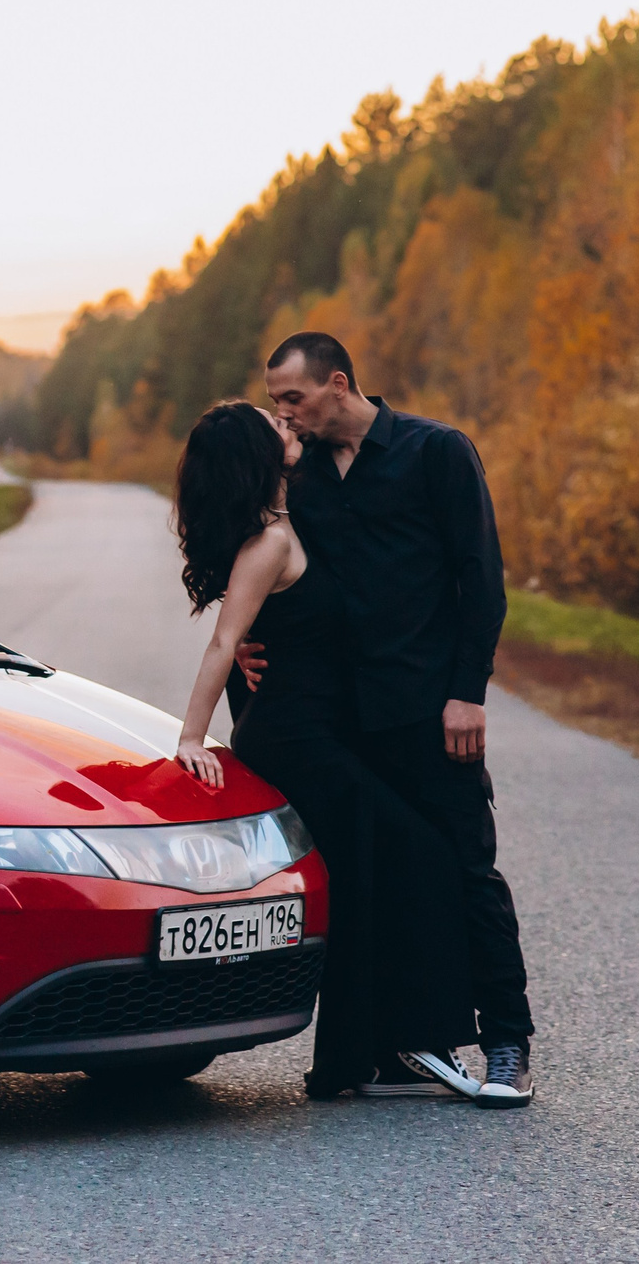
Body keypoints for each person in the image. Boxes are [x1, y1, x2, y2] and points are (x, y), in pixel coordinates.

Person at [165, 400, 488, 1105]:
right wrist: (191, 736)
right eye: (275, 424)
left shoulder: (289, 517)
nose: (290, 428)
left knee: (368, 876)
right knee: (417, 855)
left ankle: (367, 1056)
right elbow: (226, 640)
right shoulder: (270, 541)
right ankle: (384, 1049)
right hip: (294, 741)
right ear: (260, 453)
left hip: (315, 733)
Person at [244, 330, 536, 1106]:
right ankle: (394, 1042)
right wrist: (245, 641)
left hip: (430, 714)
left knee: (469, 870)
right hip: (341, 721)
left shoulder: (436, 453)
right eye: (275, 401)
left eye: (293, 398)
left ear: (338, 384)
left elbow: (483, 579)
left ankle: (507, 1039)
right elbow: (280, 577)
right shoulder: (299, 481)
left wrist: (467, 691)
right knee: (380, 880)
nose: (285, 414)